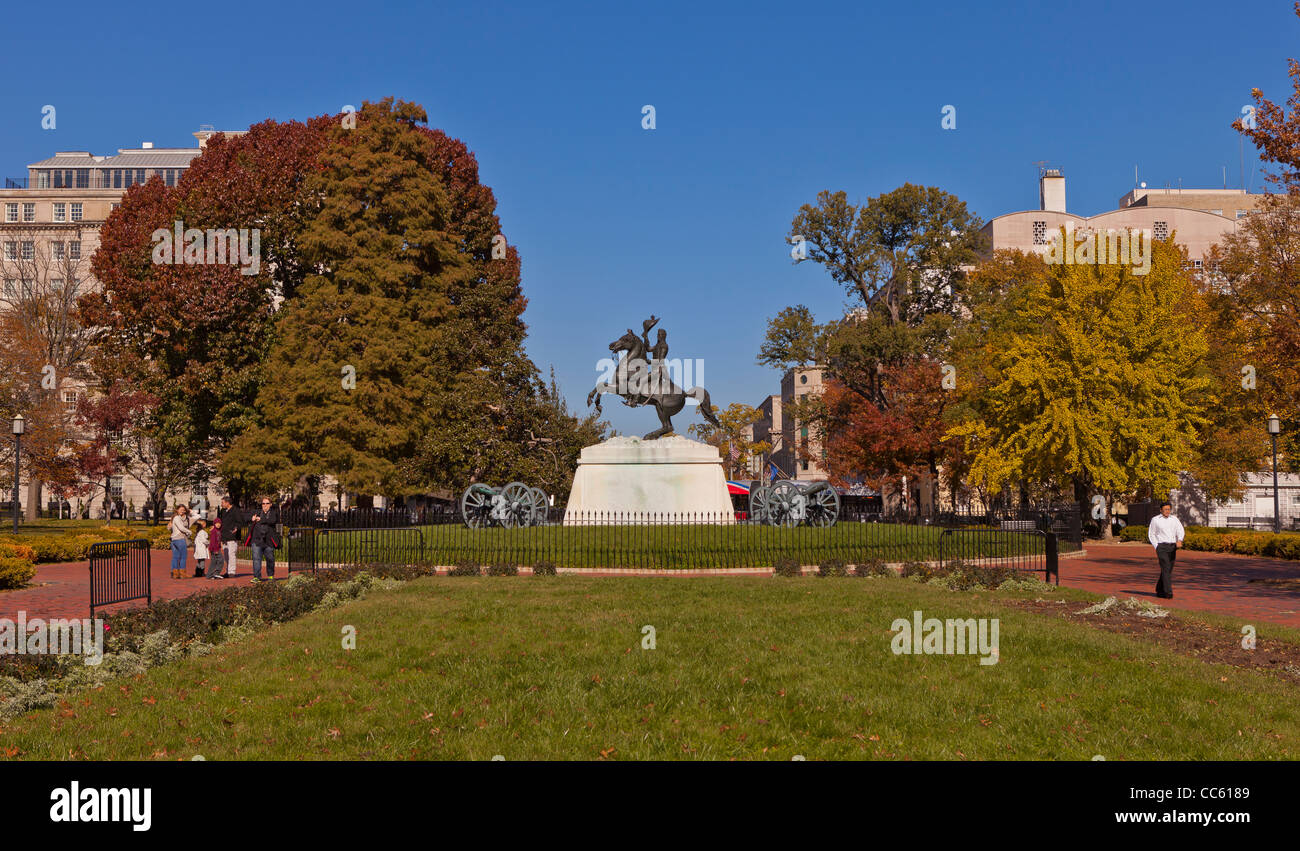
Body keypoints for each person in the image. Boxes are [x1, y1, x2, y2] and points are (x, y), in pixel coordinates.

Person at [1147, 501, 1185, 599]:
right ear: (1161, 510)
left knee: (1167, 570)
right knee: (1166, 568)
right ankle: (1168, 593)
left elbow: (1180, 530)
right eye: (1165, 509)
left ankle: (1159, 589)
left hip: (1172, 547)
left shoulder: (1174, 519)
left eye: (1168, 509)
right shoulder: (1155, 520)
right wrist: (1157, 546)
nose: (1167, 511)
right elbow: (1152, 534)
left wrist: (1179, 540)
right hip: (1161, 547)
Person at [248, 496, 281, 582]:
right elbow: (245, 516)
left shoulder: (274, 513)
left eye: (267, 503)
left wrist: (261, 519)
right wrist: (251, 519)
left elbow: (272, 520)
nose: (265, 505)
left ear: (270, 504)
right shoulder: (257, 512)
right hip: (257, 539)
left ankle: (270, 575)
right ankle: (257, 577)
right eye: (263, 503)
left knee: (270, 558)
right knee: (256, 559)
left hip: (268, 541)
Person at [218, 496, 242, 578]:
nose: (221, 504)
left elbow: (240, 522)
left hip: (232, 536)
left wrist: (236, 528)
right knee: (226, 556)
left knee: (231, 554)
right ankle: (228, 570)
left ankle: (232, 571)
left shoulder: (236, 510)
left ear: (228, 503)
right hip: (224, 536)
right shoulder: (223, 511)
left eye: (223, 502)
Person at [168, 504, 192, 579]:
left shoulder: (174, 518)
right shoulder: (177, 518)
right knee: (183, 557)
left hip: (174, 540)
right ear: (177, 510)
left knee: (176, 557)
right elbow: (181, 528)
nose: (182, 511)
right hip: (179, 539)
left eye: (183, 510)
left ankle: (175, 573)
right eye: (181, 509)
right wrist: (189, 531)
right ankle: (182, 573)